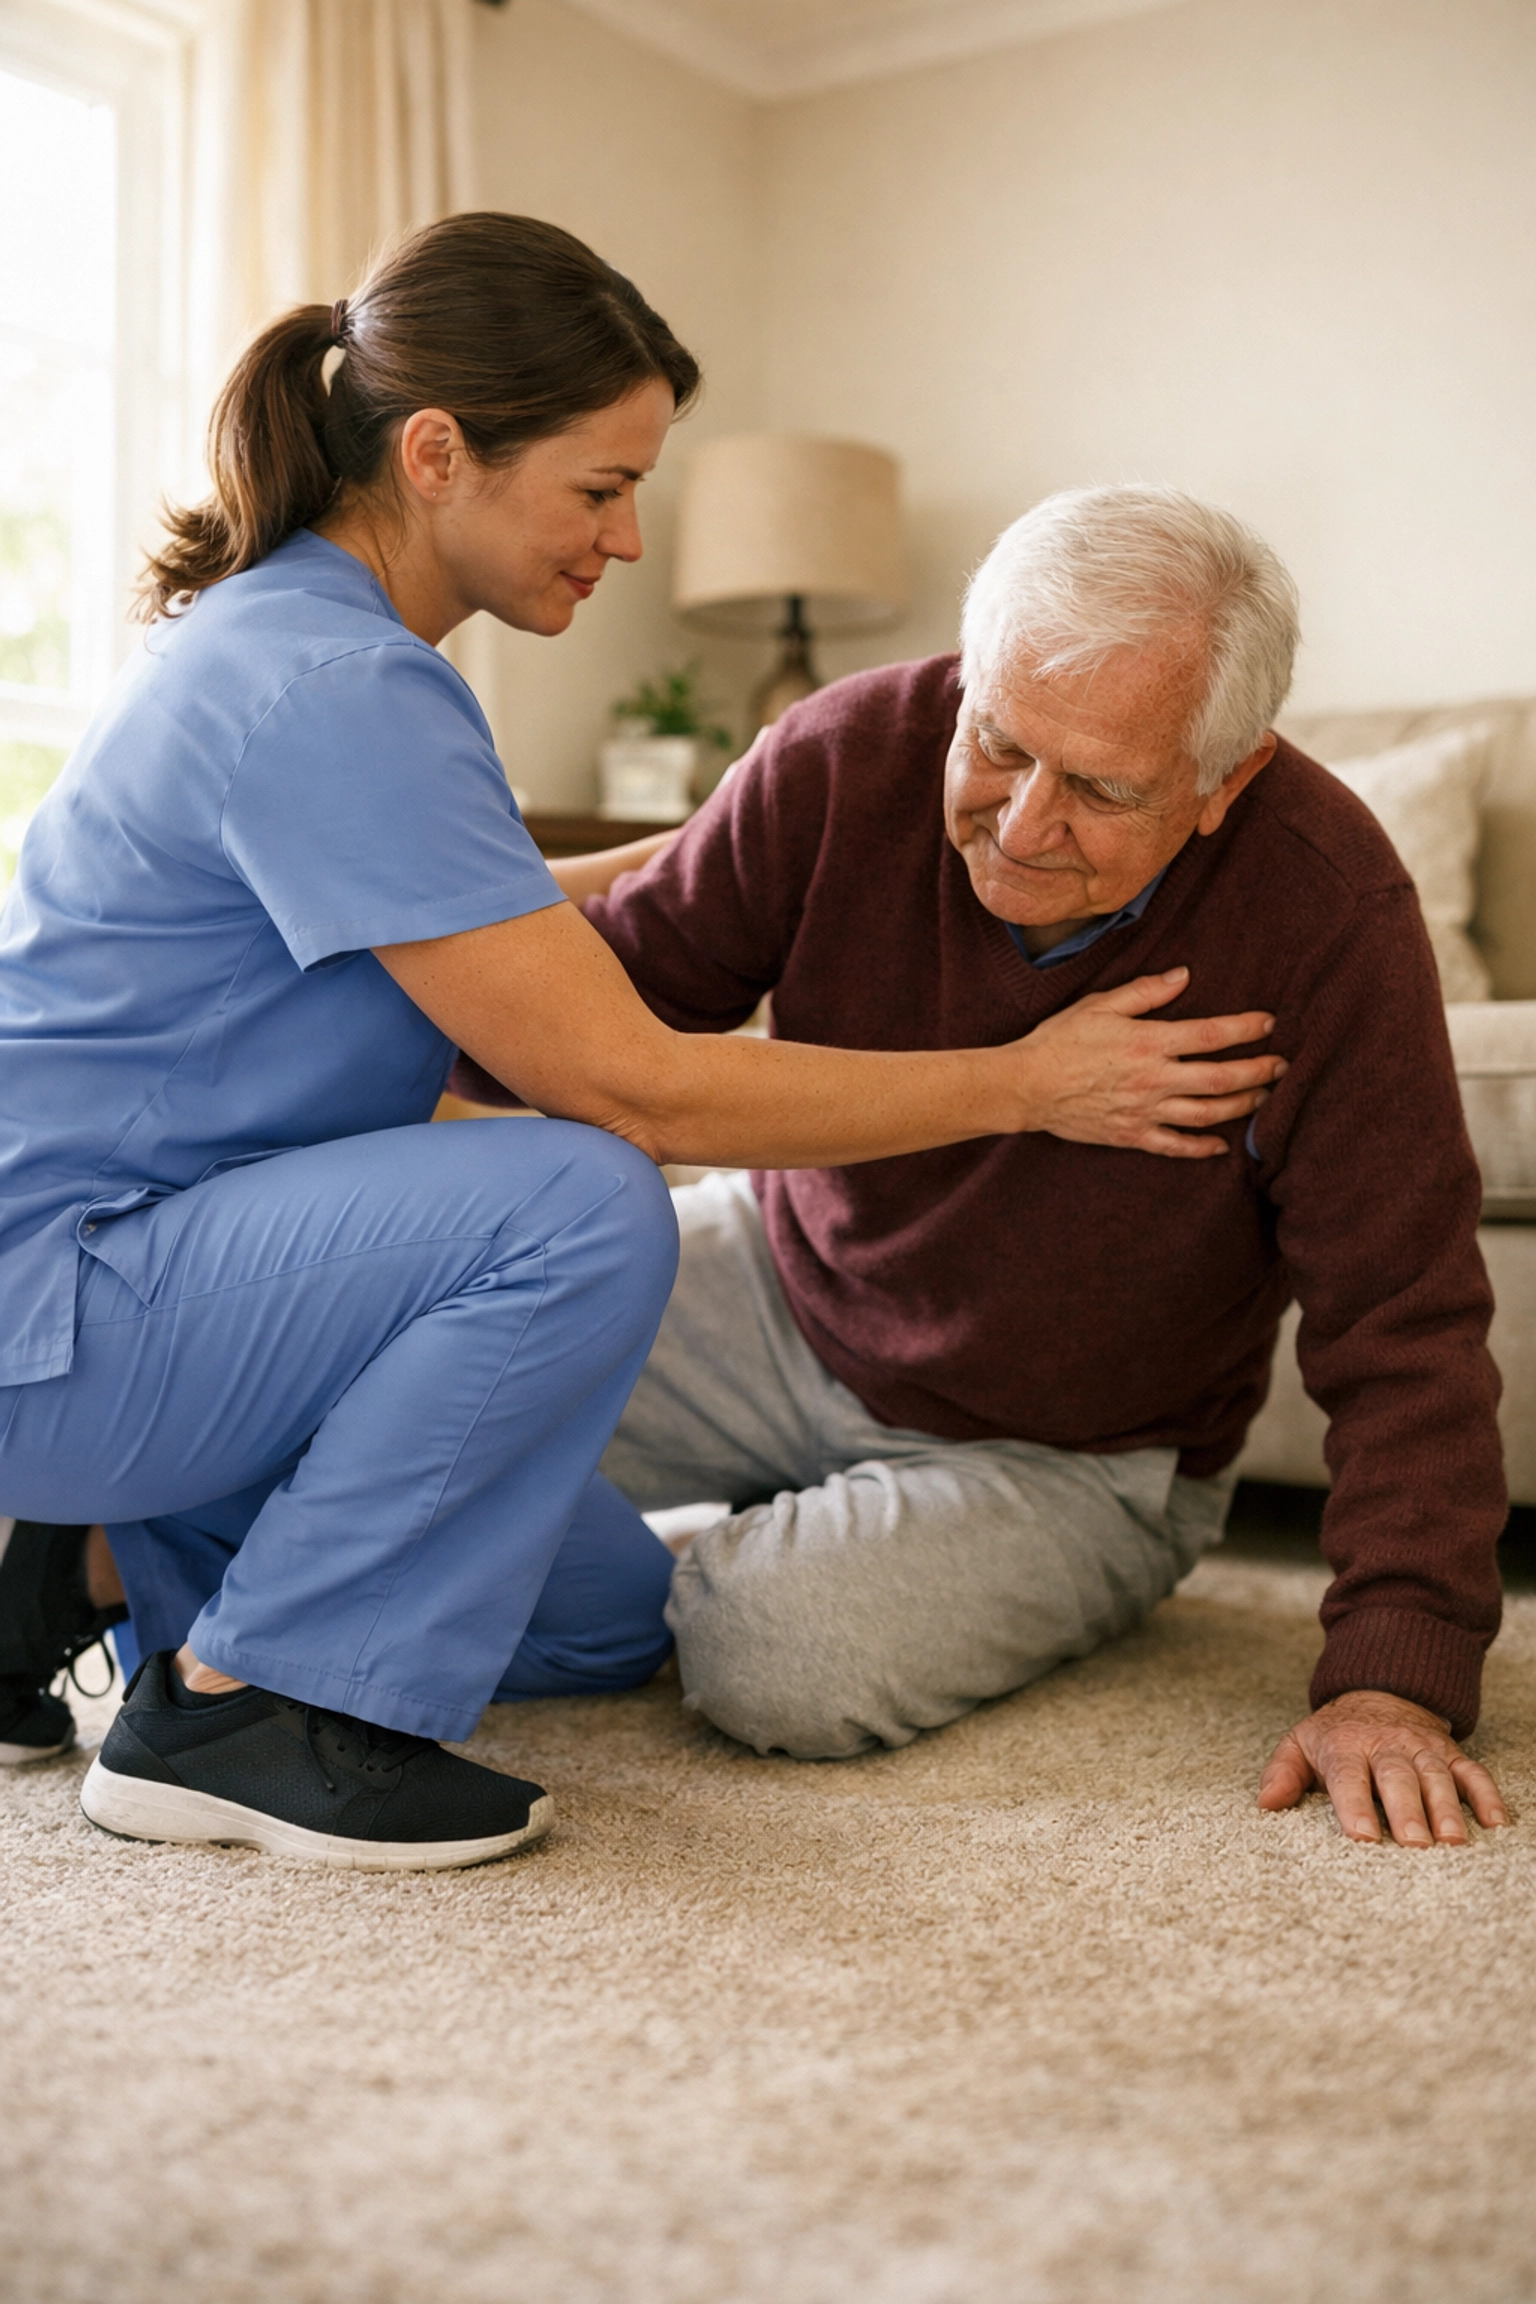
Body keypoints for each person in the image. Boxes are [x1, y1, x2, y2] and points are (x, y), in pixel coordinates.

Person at [0, 227, 1281, 1869]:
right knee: (580, 1190)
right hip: (73, 1306)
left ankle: (61, 1568)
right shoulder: (337, 681)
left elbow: (475, 903)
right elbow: (632, 1079)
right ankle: (243, 1710)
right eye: (599, 488)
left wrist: (749, 820)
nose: (628, 536)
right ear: (440, 453)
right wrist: (1036, 1081)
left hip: (135, 1299)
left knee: (617, 1620)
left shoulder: (309, 647)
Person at [563, 485, 1511, 1851]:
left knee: (771, 1656)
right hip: (784, 1286)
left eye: (1103, 790)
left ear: (1218, 785)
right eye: (999, 744)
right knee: (409, 1414)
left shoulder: (1328, 912)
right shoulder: (840, 756)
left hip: (1078, 1452)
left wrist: (1392, 1676)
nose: (1021, 826)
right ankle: (780, 1528)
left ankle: (778, 1556)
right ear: (965, 677)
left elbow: (1404, 1315)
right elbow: (610, 1011)